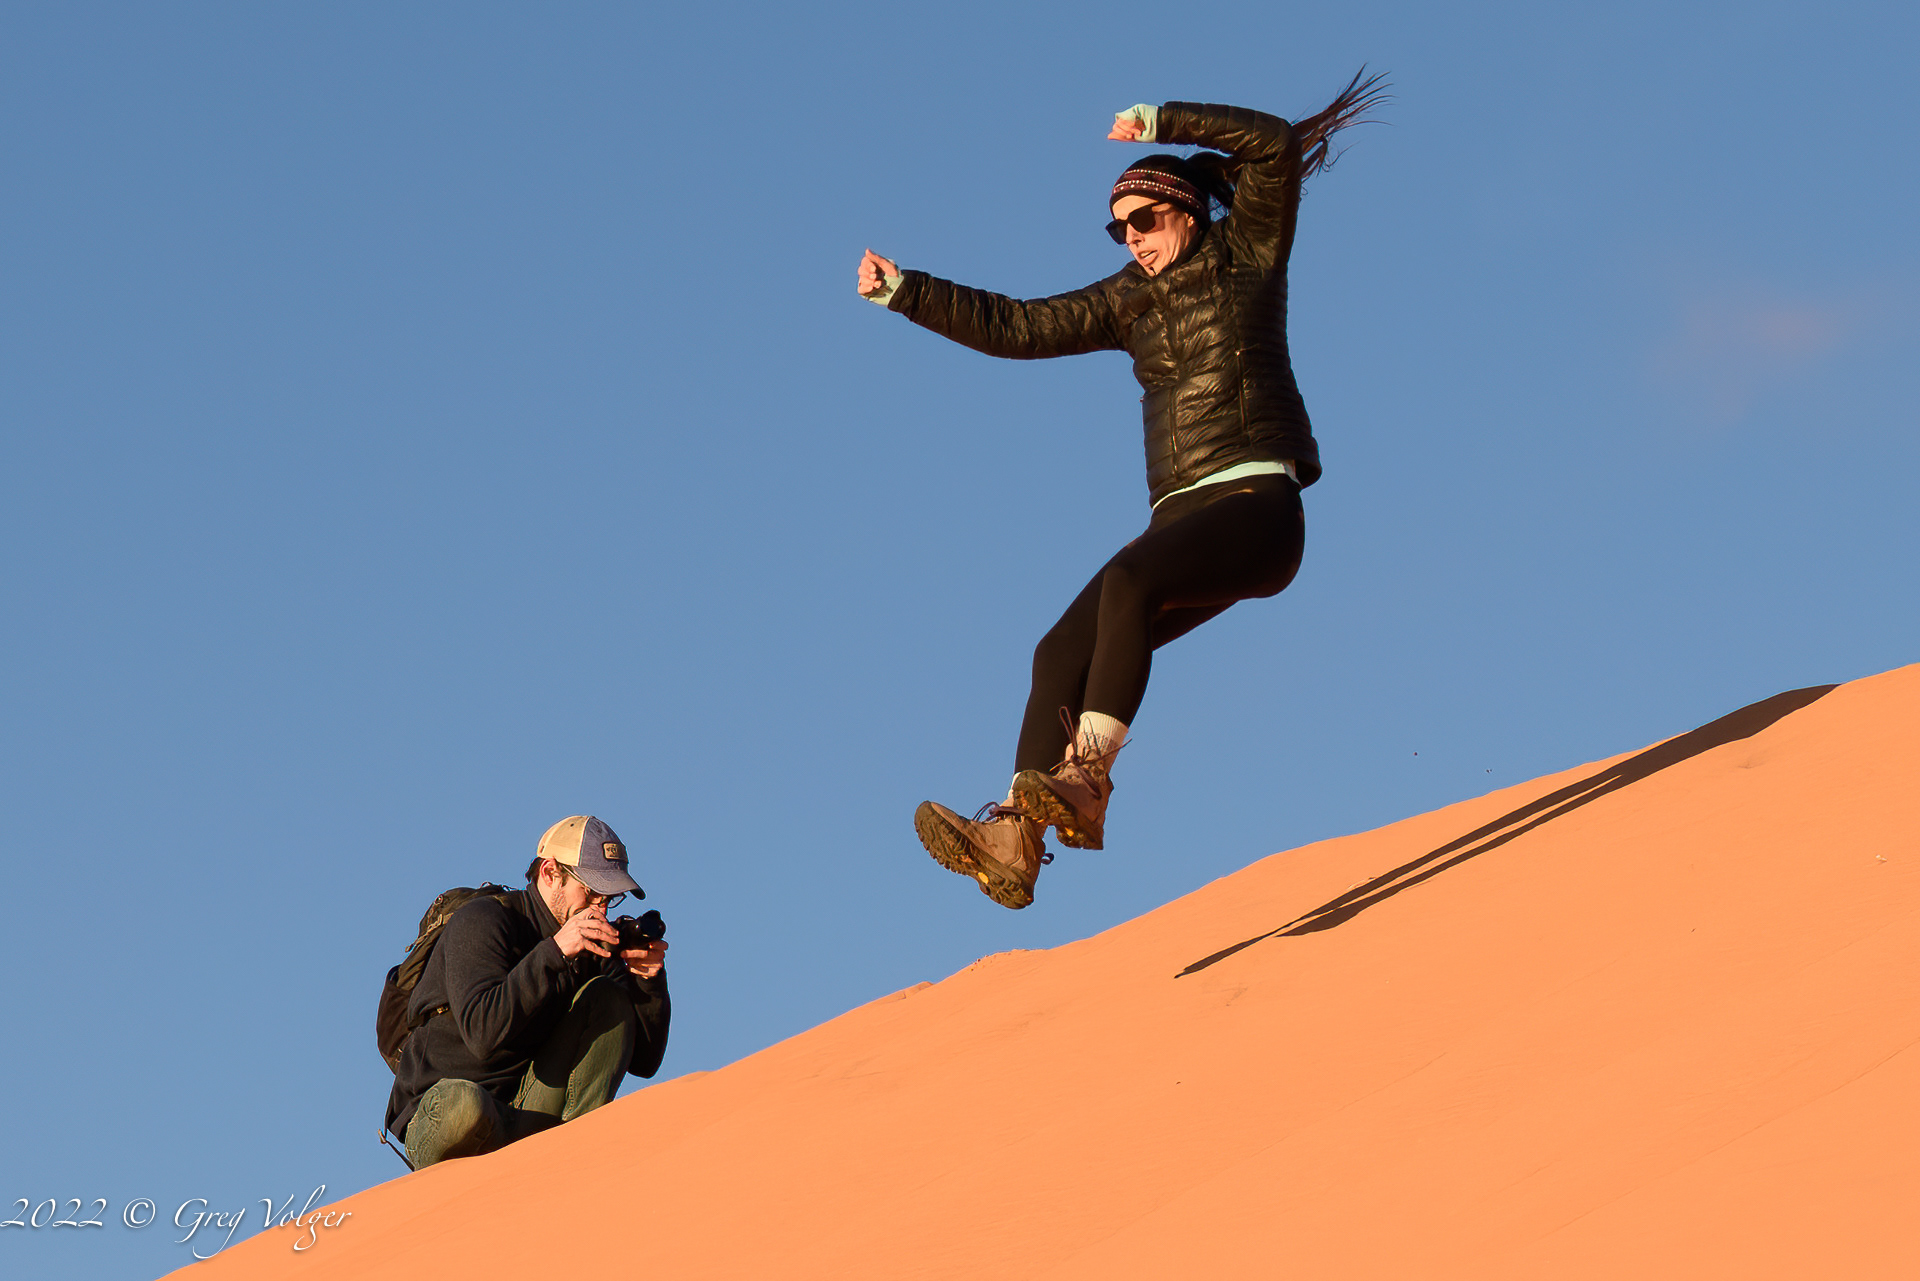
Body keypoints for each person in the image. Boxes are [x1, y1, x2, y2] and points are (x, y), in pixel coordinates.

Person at [856, 76, 1387, 909]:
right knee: (1056, 653)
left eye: (1145, 220)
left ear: (1187, 211)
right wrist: (907, 291)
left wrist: (1165, 120)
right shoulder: (1125, 300)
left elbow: (1276, 145)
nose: (1133, 238)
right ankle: (1014, 838)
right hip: (1181, 518)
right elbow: (1018, 325)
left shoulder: (1248, 251)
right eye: (1120, 228)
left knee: (1130, 582)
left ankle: (1086, 780)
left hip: (1257, 506)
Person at [384, 815, 671, 1167]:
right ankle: (545, 1158)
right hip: (445, 1110)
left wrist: (647, 980)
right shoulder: (484, 921)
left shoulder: (590, 947)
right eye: (591, 891)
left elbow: (644, 1062)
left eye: (610, 897)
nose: (601, 907)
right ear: (550, 873)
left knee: (607, 999)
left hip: (524, 1111)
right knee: (465, 1106)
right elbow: (484, 1033)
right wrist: (555, 951)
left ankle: (575, 1161)